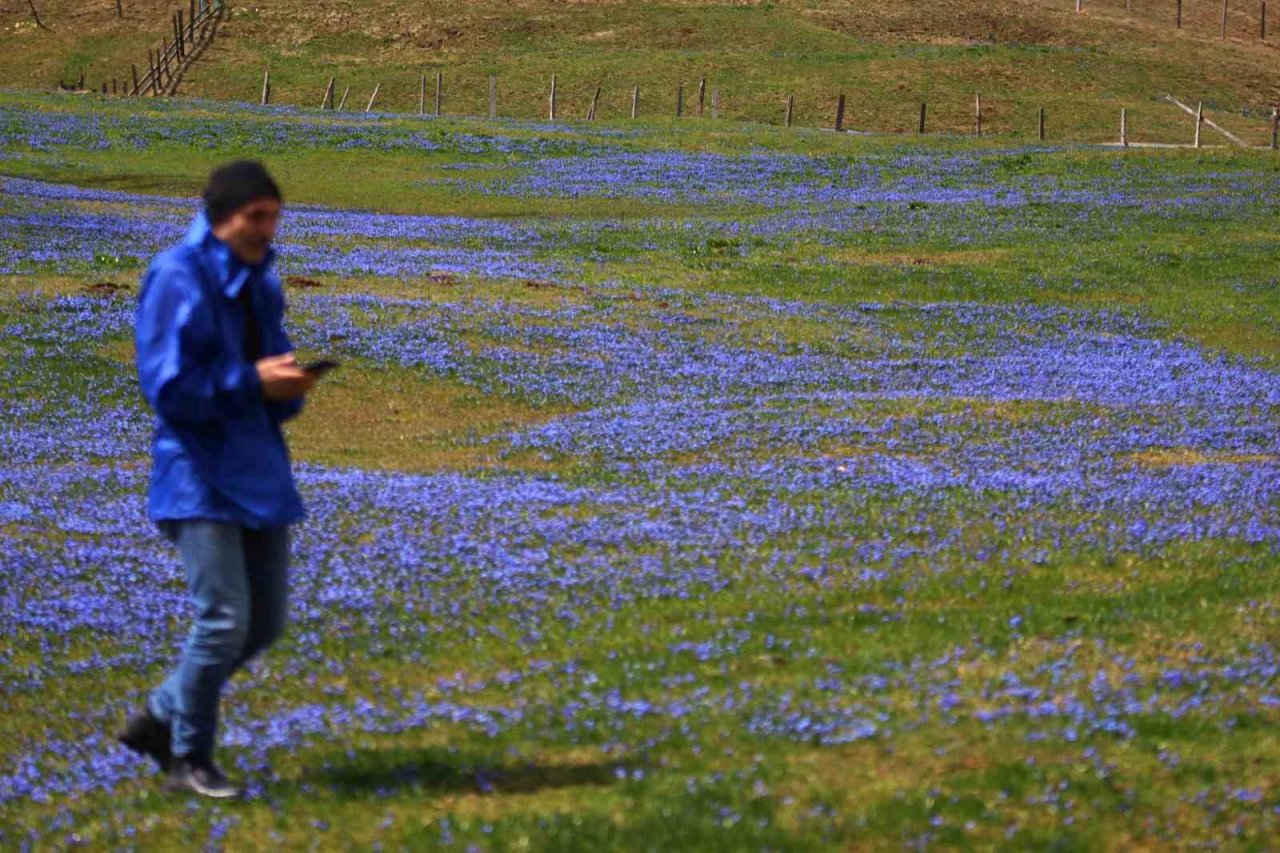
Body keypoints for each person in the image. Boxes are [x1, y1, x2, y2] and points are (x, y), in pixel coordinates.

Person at [118, 160, 314, 799]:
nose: (268, 230)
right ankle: (187, 758)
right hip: (197, 471)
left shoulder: (260, 280)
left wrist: (287, 386)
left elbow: (264, 369)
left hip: (256, 464)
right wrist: (253, 382)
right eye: (256, 217)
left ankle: (158, 716)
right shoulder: (178, 276)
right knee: (225, 619)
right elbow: (169, 388)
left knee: (264, 624)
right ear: (220, 215)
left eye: (274, 217)